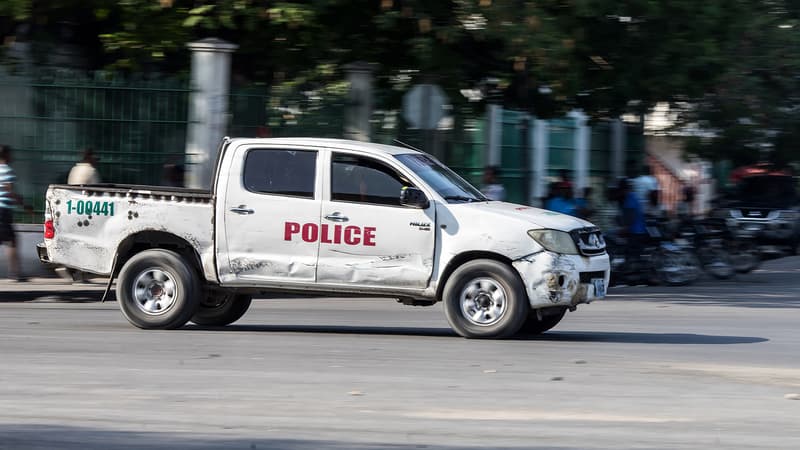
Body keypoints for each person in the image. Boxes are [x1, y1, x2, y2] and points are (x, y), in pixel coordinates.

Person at [0, 145, 27, 282]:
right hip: (3, 210)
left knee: (11, 241)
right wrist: (22, 203)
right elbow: (9, 191)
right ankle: (14, 274)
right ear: (6, 155)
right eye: (10, 154)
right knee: (12, 241)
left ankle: (15, 273)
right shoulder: (7, 170)